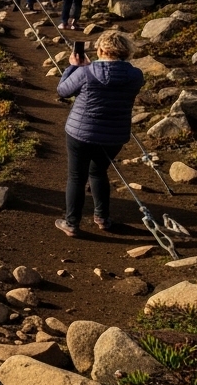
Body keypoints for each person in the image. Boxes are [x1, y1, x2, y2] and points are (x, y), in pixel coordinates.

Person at [54, 31, 144, 237]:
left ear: (101, 50)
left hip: (80, 132)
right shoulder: (136, 75)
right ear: (125, 52)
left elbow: (63, 91)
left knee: (77, 177)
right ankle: (102, 217)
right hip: (114, 136)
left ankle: (72, 223)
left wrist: (74, 67)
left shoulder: (86, 72)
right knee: (99, 172)